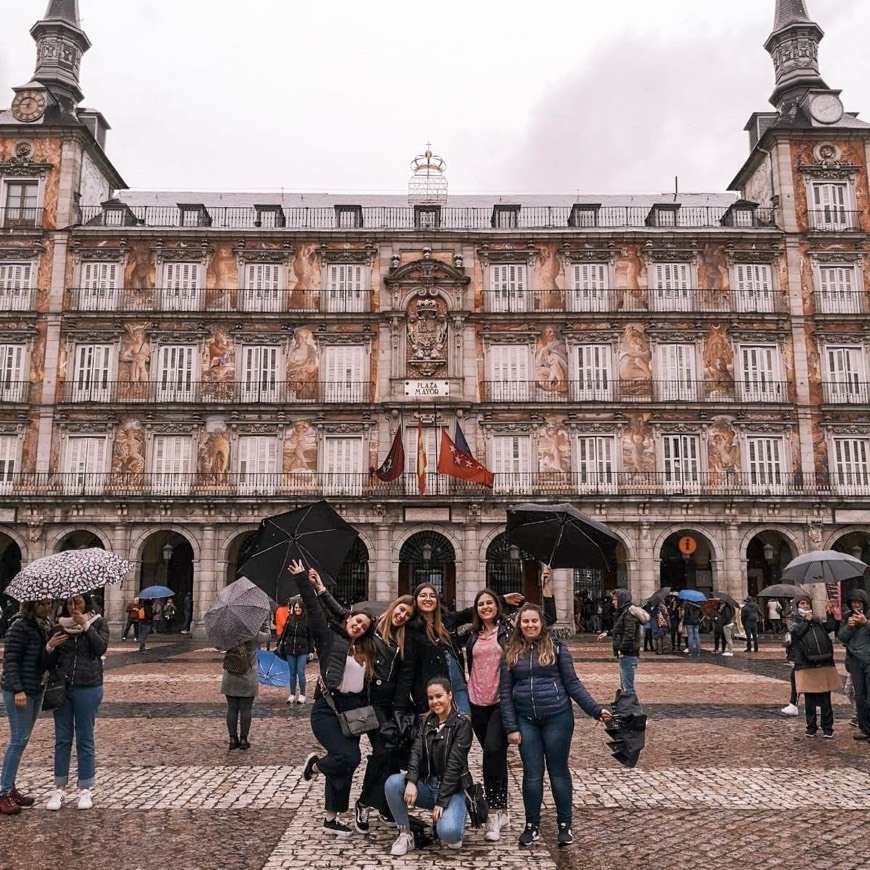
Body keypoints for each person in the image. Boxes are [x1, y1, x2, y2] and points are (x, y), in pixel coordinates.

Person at [502, 602, 613, 848]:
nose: (530, 625)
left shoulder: (558, 649)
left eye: (534, 621)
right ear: (519, 625)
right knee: (532, 774)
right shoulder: (510, 652)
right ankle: (532, 825)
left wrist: (595, 710)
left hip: (557, 717)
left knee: (558, 771)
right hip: (525, 720)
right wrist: (511, 727)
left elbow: (573, 684)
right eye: (525, 621)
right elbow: (505, 693)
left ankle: (565, 824)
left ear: (542, 624)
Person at [290, 559, 377, 836]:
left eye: (364, 625)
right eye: (357, 620)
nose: (359, 626)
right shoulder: (329, 639)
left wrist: (323, 587)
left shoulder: (367, 650)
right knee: (347, 755)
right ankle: (315, 765)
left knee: (346, 764)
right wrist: (306, 582)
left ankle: (331, 818)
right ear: (348, 619)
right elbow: (315, 612)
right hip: (328, 709)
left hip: (353, 711)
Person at [384, 676, 473, 856]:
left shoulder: (462, 724)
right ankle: (405, 834)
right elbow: (416, 753)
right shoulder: (425, 722)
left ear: (450, 695)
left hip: (453, 789)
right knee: (393, 784)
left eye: (439, 696)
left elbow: (454, 765)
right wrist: (411, 781)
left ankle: (455, 819)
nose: (435, 702)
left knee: (449, 834)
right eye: (431, 698)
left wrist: (441, 801)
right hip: (429, 784)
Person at [355, 594, 415, 833]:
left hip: (394, 705)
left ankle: (386, 806)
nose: (402, 616)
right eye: (401, 610)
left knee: (393, 752)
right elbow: (341, 616)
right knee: (382, 750)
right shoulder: (372, 629)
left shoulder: (402, 639)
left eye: (407, 615)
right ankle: (364, 802)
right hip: (372, 704)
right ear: (394, 607)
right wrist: (318, 589)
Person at [45, 593, 110, 811]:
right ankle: (59, 788)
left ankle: (85, 788)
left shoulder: (98, 622)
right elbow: (48, 662)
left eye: (78, 601)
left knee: (85, 738)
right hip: (63, 688)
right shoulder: (58, 627)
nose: (73, 605)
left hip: (88, 686)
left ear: (86, 603)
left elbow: (100, 648)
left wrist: (86, 626)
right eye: (70, 602)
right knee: (62, 739)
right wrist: (50, 646)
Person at [0, 598, 55, 815]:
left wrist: (51, 647)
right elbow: (10, 661)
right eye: (42, 604)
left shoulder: (45, 627)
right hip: (20, 690)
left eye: (50, 603)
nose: (47, 607)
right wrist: (17, 690)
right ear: (31, 605)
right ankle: (3, 792)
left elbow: (42, 661)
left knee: (22, 740)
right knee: (18, 739)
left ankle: (10, 787)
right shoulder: (19, 626)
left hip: (36, 687)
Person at [788, 593, 839, 738]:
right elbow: (795, 635)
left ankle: (827, 728)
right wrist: (805, 621)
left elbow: (829, 628)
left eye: (807, 603)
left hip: (823, 662)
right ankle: (811, 727)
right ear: (796, 606)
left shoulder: (816, 620)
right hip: (806, 663)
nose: (805, 606)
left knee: (825, 698)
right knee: (810, 698)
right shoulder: (793, 620)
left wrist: (830, 614)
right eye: (802, 604)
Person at [222, 624, 270, 750]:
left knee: (232, 709)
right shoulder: (253, 633)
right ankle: (244, 739)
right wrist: (265, 624)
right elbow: (267, 636)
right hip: (248, 677)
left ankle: (233, 739)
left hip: (230, 675)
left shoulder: (229, 633)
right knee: (245, 709)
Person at [598, 588, 647, 696]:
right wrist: (608, 633)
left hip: (628, 654)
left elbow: (629, 634)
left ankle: (632, 710)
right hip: (626, 654)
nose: (613, 602)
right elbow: (619, 628)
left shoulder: (628, 613)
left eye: (615, 599)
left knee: (628, 687)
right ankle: (626, 709)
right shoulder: (623, 612)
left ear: (622, 599)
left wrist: (622, 650)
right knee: (625, 685)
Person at [838, 589, 870, 740]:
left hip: (868, 660)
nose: (856, 605)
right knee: (860, 695)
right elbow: (842, 638)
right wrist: (848, 627)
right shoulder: (846, 617)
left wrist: (865, 623)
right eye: (853, 602)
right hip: (855, 661)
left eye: (859, 602)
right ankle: (865, 729)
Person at [278, 598, 313, 705]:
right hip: (290, 648)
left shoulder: (307, 620)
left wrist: (311, 650)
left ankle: (302, 694)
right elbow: (285, 632)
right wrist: (281, 642)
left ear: (303, 608)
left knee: (300, 672)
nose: (297, 609)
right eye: (296, 607)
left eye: (299, 607)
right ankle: (292, 694)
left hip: (303, 649)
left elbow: (310, 636)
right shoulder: (290, 618)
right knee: (292, 673)